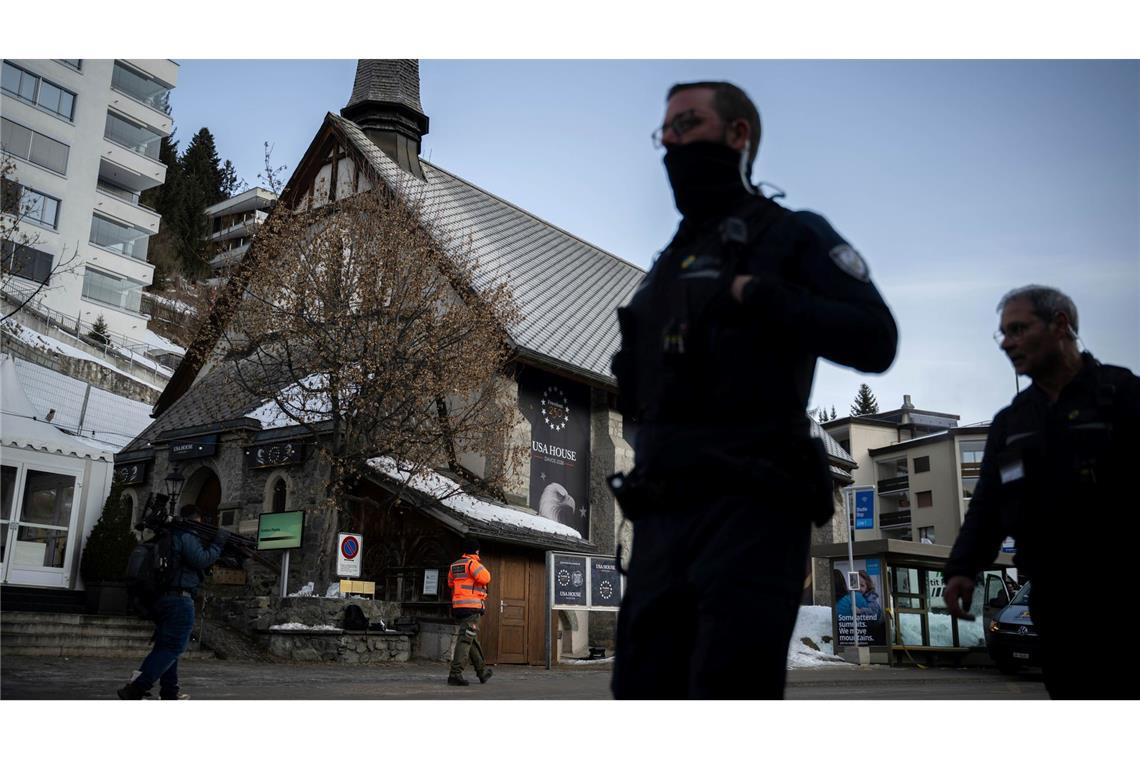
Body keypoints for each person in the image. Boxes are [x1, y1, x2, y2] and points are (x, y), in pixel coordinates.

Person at [609, 81, 897, 699]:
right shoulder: (672, 258)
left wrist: (762, 296)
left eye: (687, 123)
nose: (670, 141)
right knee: (640, 690)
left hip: (752, 505)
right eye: (664, 130)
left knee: (727, 690)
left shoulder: (789, 234)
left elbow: (877, 337)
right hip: (662, 517)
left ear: (738, 136)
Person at [944, 285, 1140, 699]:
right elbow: (987, 505)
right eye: (1003, 334)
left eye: (1018, 329)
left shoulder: (1121, 394)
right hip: (1056, 602)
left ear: (1060, 325)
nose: (1007, 343)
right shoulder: (1012, 422)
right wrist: (962, 569)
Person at [117, 503, 226, 700]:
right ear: (196, 520)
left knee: (165, 646)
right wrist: (217, 544)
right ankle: (137, 688)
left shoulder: (167, 535)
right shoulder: (186, 535)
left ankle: (169, 692)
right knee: (173, 646)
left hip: (162, 598)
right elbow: (200, 560)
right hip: (179, 599)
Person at [446, 536, 493, 686]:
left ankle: (482, 671)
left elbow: (450, 583)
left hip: (459, 607)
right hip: (471, 607)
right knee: (466, 639)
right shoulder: (472, 563)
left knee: (471, 638)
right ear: (476, 550)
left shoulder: (454, 565)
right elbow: (486, 578)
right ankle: (455, 674)